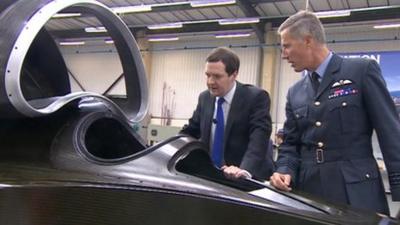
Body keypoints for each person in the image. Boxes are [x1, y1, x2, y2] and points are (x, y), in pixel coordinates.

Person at [269, 10, 400, 214]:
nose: (284, 55)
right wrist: (283, 169)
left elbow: (390, 133)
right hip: (310, 193)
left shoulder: (361, 71)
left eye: (287, 46)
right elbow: (290, 144)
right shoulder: (295, 92)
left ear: (308, 41)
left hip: (356, 192)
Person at [180, 47, 274, 180]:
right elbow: (190, 132)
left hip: (245, 179)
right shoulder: (205, 98)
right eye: (208, 75)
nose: (210, 82)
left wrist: (244, 170)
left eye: (217, 76)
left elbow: (259, 140)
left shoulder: (255, 98)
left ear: (234, 75)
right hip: (212, 177)